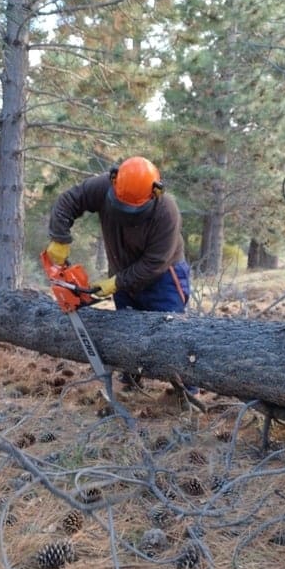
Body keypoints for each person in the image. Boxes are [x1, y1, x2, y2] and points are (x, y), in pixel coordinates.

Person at [45, 156, 195, 395]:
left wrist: (116, 282)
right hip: (122, 269)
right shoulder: (104, 186)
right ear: (114, 180)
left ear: (155, 194)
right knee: (126, 326)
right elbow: (69, 200)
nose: (127, 214)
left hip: (162, 277)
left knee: (171, 332)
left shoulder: (167, 212)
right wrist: (59, 238)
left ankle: (186, 391)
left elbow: (153, 263)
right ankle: (131, 378)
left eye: (134, 209)